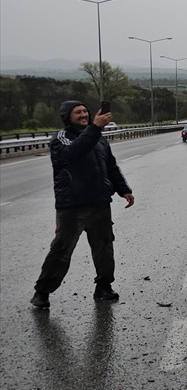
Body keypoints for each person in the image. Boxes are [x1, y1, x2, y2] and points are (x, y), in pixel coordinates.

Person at [31, 101, 135, 309]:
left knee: (104, 247)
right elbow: (72, 153)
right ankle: (42, 292)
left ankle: (103, 286)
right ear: (67, 117)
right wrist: (95, 128)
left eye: (85, 111)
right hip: (72, 206)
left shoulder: (99, 140)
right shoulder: (61, 139)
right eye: (78, 112)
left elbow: (111, 167)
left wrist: (124, 189)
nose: (83, 114)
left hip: (99, 204)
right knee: (61, 250)